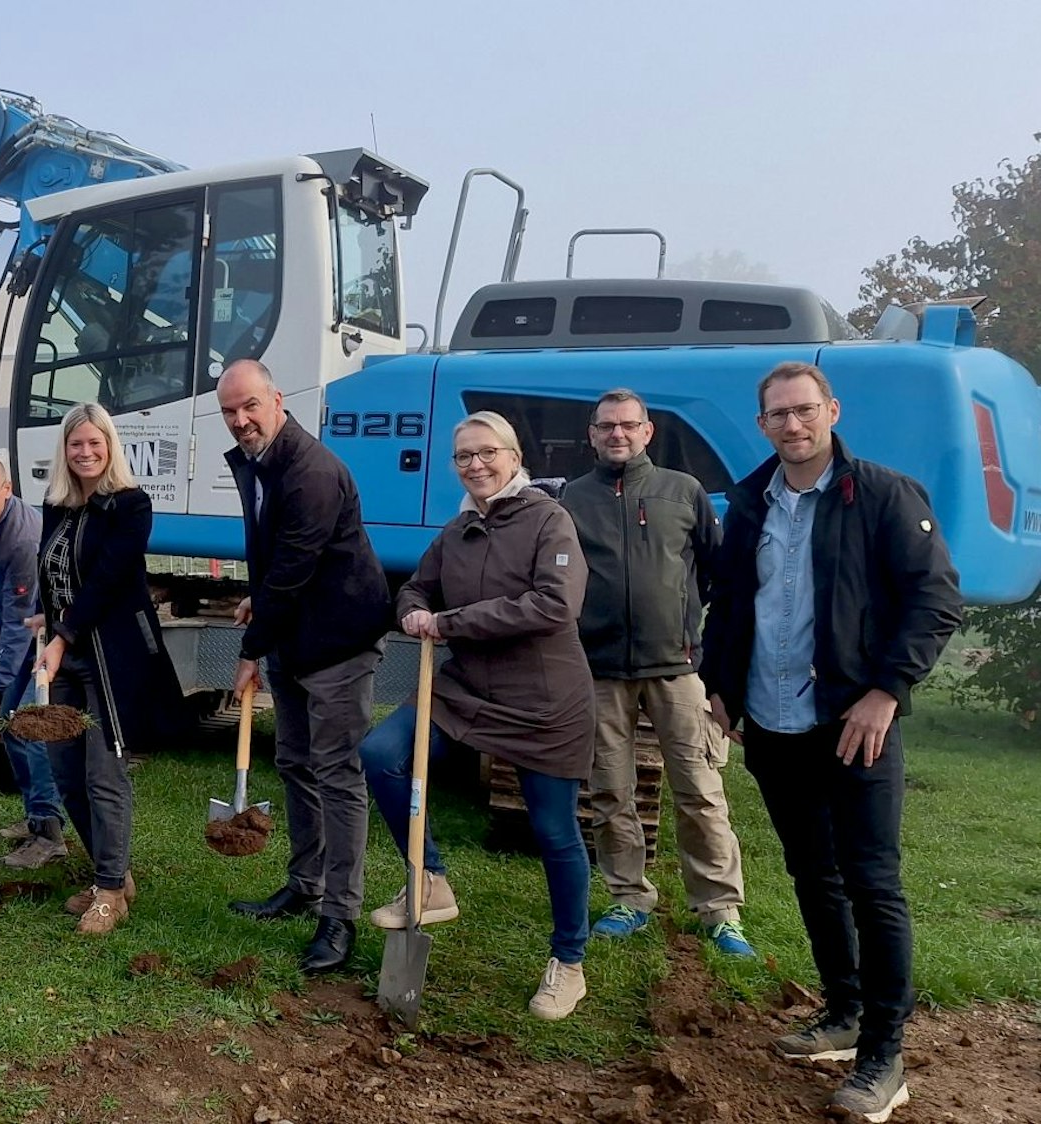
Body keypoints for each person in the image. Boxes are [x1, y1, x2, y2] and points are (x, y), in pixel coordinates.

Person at [702, 361, 960, 1122]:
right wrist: (720, 685)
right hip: (772, 721)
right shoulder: (749, 503)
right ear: (762, 424)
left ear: (832, 411)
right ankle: (843, 1014)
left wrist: (886, 692)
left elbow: (935, 601)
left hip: (854, 726)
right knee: (814, 875)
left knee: (873, 883)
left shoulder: (882, 494)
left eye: (805, 410)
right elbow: (730, 600)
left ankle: (885, 1054)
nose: (793, 424)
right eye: (778, 414)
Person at [356, 410, 595, 1020]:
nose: (476, 465)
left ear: (515, 458)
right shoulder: (458, 528)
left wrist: (449, 622)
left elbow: (554, 604)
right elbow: (416, 587)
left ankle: (568, 962)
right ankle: (430, 879)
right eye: (464, 456)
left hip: (545, 699)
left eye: (488, 452)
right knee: (382, 754)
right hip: (467, 689)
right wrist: (413, 610)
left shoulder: (548, 520)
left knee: (554, 831)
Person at [560, 388, 752, 957]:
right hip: (600, 670)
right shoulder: (573, 497)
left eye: (628, 425)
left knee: (700, 790)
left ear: (647, 432)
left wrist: (690, 629)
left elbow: (716, 572)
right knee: (610, 792)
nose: (617, 434)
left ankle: (719, 910)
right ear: (592, 435)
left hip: (677, 668)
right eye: (606, 426)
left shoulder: (683, 491)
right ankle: (628, 897)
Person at [216, 360, 389, 975]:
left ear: (277, 400)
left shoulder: (311, 470)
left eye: (250, 406)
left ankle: (339, 915)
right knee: (295, 762)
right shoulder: (260, 461)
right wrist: (257, 596)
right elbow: (275, 555)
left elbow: (294, 568)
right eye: (229, 411)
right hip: (294, 633)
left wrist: (250, 651)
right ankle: (305, 884)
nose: (240, 420)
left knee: (337, 774)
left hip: (339, 640)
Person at [31, 402, 183, 935]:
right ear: (65, 450)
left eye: (95, 443)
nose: (86, 452)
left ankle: (111, 892)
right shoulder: (57, 505)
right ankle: (113, 875)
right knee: (67, 773)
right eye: (76, 444)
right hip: (66, 650)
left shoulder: (131, 505)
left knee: (103, 773)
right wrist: (46, 615)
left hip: (110, 654)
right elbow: (54, 569)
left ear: (110, 446)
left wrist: (63, 634)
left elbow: (108, 580)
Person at [0, 454, 66, 869]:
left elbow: (23, 621)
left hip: (49, 638)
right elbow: (2, 594)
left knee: (32, 729)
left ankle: (49, 834)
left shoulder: (21, 539)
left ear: (7, 490)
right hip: (24, 630)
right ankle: (35, 815)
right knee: (12, 725)